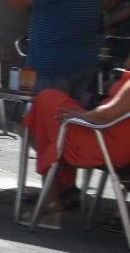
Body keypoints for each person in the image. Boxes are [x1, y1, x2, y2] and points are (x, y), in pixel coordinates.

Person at [24, 69, 130, 212]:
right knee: (50, 105)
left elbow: (107, 115)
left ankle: (55, 197)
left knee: (48, 107)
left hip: (108, 145)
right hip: (108, 138)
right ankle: (58, 194)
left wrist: (81, 115)